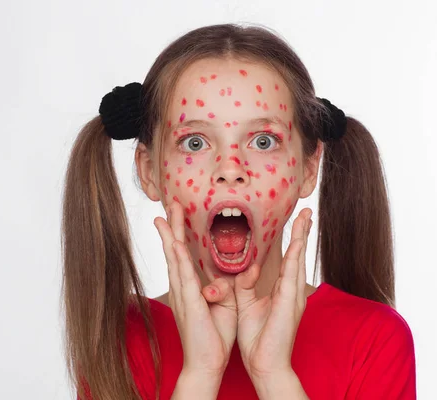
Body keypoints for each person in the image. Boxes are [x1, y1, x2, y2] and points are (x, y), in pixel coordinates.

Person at [62, 23, 416, 400]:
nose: (230, 168)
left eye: (263, 141)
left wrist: (274, 376)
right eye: (194, 141)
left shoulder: (375, 339)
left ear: (307, 169)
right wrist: (200, 375)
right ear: (150, 172)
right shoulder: (119, 342)